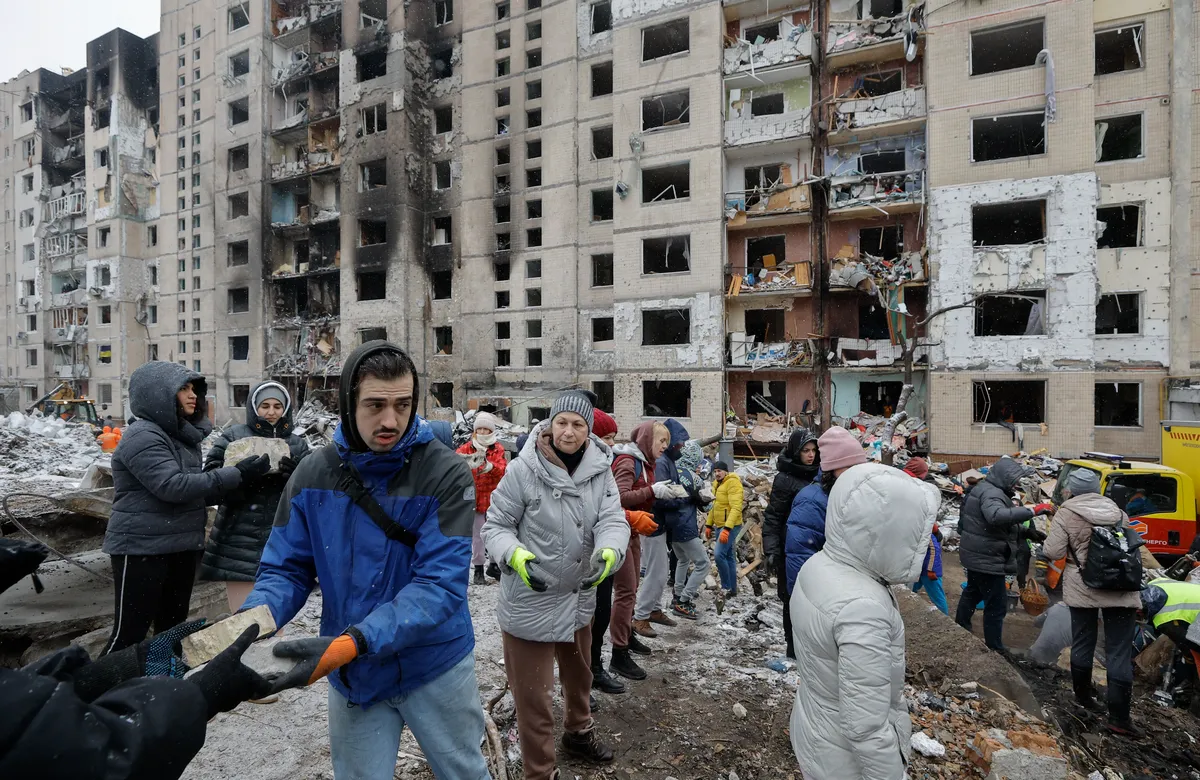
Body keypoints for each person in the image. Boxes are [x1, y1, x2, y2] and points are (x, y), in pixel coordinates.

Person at [239, 341, 491, 779]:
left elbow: (439, 586)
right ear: (348, 403)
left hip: (433, 663)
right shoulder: (314, 473)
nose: (390, 420)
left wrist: (352, 642)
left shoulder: (445, 472)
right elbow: (286, 569)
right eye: (375, 405)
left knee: (463, 772)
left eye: (403, 405)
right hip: (354, 673)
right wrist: (250, 623)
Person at [0, 537, 274, 779]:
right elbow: (105, 760)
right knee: (128, 628)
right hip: (141, 544)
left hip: (175, 541)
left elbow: (24, 707)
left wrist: (119, 668)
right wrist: (199, 694)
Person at [483, 391, 631, 780]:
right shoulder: (523, 469)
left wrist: (611, 550)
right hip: (530, 600)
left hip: (578, 597)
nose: (569, 431)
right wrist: (514, 555)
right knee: (535, 697)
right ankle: (540, 771)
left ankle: (578, 735)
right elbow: (496, 526)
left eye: (578, 424)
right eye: (561, 422)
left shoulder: (601, 469)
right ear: (550, 425)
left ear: (588, 429)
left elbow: (612, 519)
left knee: (580, 678)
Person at [101, 362, 271, 655]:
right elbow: (173, 486)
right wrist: (235, 474)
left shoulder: (182, 437)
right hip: (142, 548)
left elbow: (194, 493)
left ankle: (162, 682)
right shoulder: (143, 435)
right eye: (183, 388)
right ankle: (98, 683)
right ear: (158, 393)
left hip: (180, 545)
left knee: (171, 631)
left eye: (194, 388)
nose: (193, 395)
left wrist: (243, 482)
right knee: (129, 635)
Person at [789, 464, 940, 780]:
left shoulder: (820, 565)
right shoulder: (863, 608)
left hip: (814, 731)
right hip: (845, 764)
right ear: (891, 533)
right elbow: (866, 727)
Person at [1042, 468, 1141, 734]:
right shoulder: (1117, 512)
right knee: (1119, 652)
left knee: (1083, 642)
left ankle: (1084, 698)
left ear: (1072, 490)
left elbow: (1052, 550)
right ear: (1098, 489)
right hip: (1121, 587)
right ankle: (1120, 719)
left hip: (1083, 586)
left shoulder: (1066, 512)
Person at [200, 381, 310, 612]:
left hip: (282, 541)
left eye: (277, 406)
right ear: (253, 408)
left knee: (274, 618)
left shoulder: (298, 444)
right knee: (243, 619)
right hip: (238, 541)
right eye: (265, 406)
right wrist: (240, 476)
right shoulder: (232, 437)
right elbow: (209, 485)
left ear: (286, 409)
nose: (271, 412)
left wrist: (296, 477)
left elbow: (313, 494)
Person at [954, 457, 1052, 652]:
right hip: (987, 557)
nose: (1016, 485)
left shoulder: (987, 489)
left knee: (973, 592)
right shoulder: (992, 494)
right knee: (997, 604)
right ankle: (994, 646)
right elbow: (996, 517)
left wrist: (1027, 532)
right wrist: (1033, 511)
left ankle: (961, 626)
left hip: (979, 553)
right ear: (1004, 478)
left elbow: (994, 526)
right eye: (1013, 481)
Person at [608, 421, 670, 680]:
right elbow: (619, 497)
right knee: (625, 592)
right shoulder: (628, 462)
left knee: (632, 588)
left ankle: (627, 635)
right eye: (661, 441)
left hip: (632, 532)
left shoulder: (645, 463)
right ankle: (618, 652)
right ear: (647, 440)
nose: (665, 446)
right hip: (618, 532)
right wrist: (651, 490)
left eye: (667, 442)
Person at [784, 426, 867, 596]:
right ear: (832, 467)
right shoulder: (812, 501)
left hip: (852, 590)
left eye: (857, 466)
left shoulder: (852, 494)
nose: (854, 472)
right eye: (848, 466)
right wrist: (805, 600)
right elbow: (800, 556)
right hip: (826, 594)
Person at [762, 429, 819, 660]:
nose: (811, 455)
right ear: (796, 452)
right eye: (806, 451)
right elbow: (773, 516)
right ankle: (792, 646)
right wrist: (771, 550)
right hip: (790, 548)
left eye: (814, 450)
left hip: (814, 547)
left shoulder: (820, 475)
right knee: (791, 598)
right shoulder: (785, 479)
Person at [633, 419, 690, 638]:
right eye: (679, 443)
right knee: (656, 574)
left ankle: (654, 609)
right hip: (653, 524)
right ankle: (641, 616)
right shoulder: (661, 462)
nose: (680, 447)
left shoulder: (667, 460)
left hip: (660, 523)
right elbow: (658, 496)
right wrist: (682, 499)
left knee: (660, 570)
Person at [588, 409, 626, 695]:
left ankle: (594, 668)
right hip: (579, 558)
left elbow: (612, 511)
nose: (612, 443)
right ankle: (577, 681)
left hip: (603, 554)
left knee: (601, 613)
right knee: (580, 624)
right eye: (607, 437)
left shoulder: (605, 468)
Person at [457, 411, 508, 585]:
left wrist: (489, 467)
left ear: (491, 431)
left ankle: (493, 565)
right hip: (475, 499)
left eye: (486, 429)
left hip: (493, 500)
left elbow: (503, 470)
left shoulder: (497, 449)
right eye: (480, 429)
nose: (483, 432)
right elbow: (454, 463)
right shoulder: (467, 448)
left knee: (494, 533)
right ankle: (478, 569)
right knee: (478, 536)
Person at [1140, 578, 1200, 716]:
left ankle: (1194, 716)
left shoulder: (1163, 619)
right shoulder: (1155, 583)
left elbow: (1188, 644)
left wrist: (1192, 672)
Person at [669, 440, 712, 620]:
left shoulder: (670, 470)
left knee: (683, 559)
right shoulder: (694, 478)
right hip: (686, 526)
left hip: (671, 527)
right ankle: (684, 601)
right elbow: (706, 506)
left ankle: (678, 594)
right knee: (704, 563)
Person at [707, 460, 744, 597]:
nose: (717, 473)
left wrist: (727, 529)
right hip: (719, 525)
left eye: (719, 471)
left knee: (718, 555)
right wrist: (708, 524)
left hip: (731, 526)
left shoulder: (733, 483)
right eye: (715, 471)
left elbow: (736, 507)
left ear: (726, 471)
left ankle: (726, 587)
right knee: (729, 557)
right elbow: (714, 506)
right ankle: (732, 590)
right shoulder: (717, 484)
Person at [912, 523, 949, 614]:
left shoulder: (927, 533)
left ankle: (944, 616)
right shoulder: (922, 530)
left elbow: (934, 551)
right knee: (910, 588)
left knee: (937, 596)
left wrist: (931, 570)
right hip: (920, 569)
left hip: (928, 571)